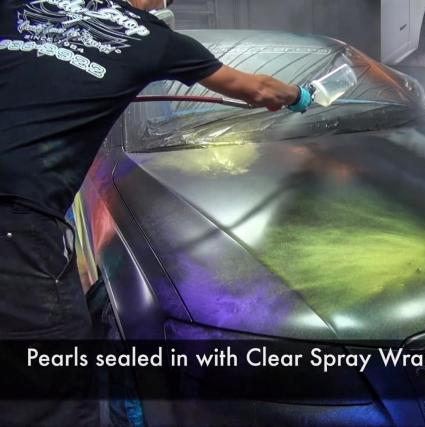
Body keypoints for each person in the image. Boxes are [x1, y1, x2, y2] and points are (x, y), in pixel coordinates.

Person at [0, 0, 313, 425]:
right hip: (15, 228)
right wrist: (300, 95)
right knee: (54, 389)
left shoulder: (28, 5)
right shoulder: (155, 40)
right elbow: (258, 89)